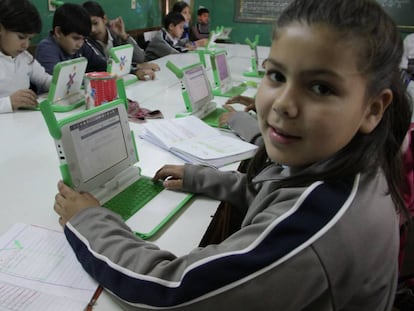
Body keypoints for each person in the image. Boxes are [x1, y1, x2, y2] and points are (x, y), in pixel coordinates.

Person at [53, 0, 412, 309]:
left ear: (373, 109)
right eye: (276, 74)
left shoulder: (319, 226)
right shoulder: (348, 165)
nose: (284, 104)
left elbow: (169, 291)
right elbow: (274, 193)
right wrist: (201, 177)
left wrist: (88, 221)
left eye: (321, 87)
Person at [82, 1, 159, 81]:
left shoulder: (115, 34)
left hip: (123, 79)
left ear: (104, 19)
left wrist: (124, 36)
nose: (92, 30)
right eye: (88, 26)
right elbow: (105, 65)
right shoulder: (86, 42)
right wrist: (137, 67)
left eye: (95, 23)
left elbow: (140, 58)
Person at [0, 0, 52, 113]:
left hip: (22, 121)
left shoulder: (25, 57)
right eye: (21, 37)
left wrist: (62, 84)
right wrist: (9, 102)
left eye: (30, 39)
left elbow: (44, 80)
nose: (26, 45)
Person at [35, 3, 107, 75]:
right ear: (58, 32)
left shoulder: (81, 44)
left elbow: (104, 65)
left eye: (83, 39)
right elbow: (58, 83)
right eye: (75, 38)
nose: (80, 44)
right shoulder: (46, 49)